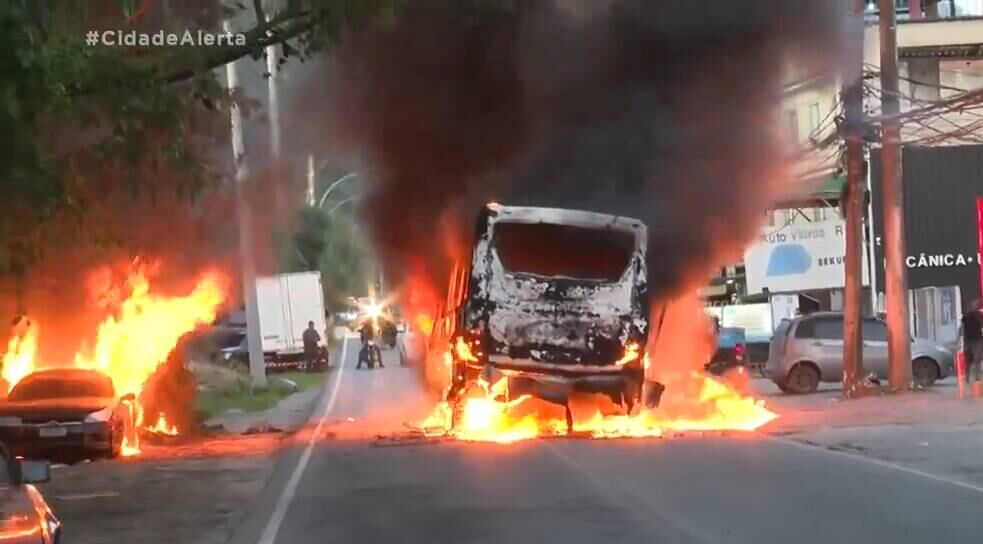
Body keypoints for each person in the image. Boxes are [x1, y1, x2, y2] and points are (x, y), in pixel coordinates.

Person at [960, 300, 983, 389]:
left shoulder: (970, 316)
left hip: (973, 340)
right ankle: (972, 378)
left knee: (973, 360)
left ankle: (972, 378)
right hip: (974, 340)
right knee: (973, 360)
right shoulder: (971, 316)